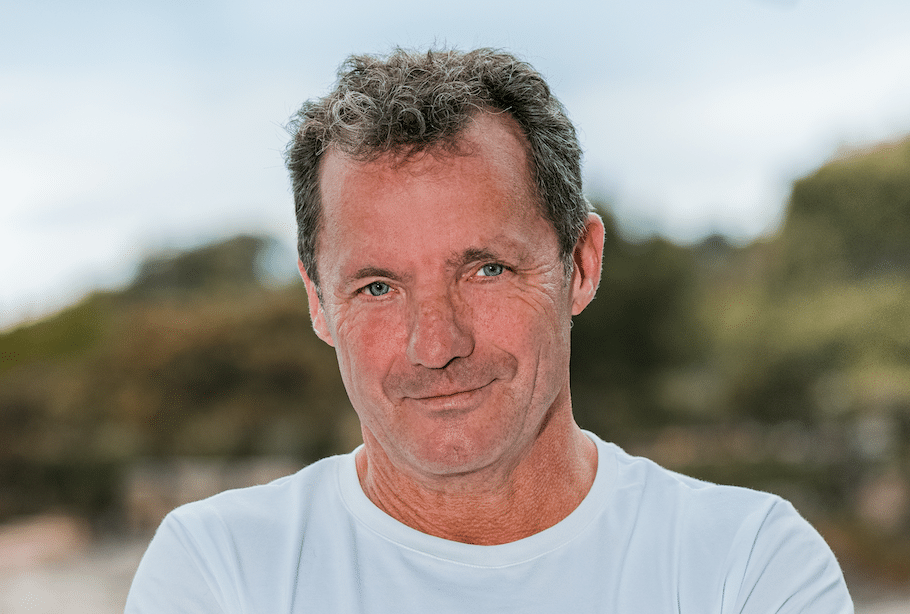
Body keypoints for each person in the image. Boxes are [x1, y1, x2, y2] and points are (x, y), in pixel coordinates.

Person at [125, 48, 853, 613]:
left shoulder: (746, 565)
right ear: (318, 301)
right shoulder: (220, 571)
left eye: (486, 270)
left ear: (581, 265)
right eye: (378, 287)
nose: (436, 346)